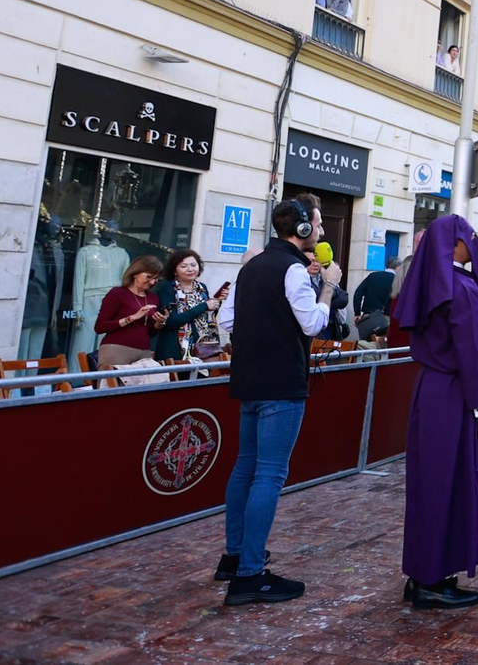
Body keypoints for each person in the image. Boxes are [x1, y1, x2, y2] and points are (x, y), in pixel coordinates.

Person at [219, 194, 342, 605]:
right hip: (281, 383)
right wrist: (327, 287)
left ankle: (233, 558)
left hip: (249, 380)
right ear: (303, 229)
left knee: (245, 468)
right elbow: (313, 323)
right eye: (318, 225)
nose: (322, 232)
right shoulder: (291, 268)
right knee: (269, 475)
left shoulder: (252, 266)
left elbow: (228, 321)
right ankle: (250, 574)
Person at [394, 215, 478, 610]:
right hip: (455, 392)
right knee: (451, 483)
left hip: (430, 388)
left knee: (428, 484)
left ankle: (423, 571)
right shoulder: (464, 289)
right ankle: (433, 579)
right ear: (456, 244)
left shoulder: (432, 285)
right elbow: (472, 353)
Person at [93, 256, 167, 368]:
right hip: (117, 349)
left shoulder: (153, 298)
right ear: (135, 273)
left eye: (156, 279)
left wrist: (158, 324)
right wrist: (132, 318)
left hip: (144, 352)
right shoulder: (117, 293)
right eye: (149, 277)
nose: (152, 282)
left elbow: (149, 333)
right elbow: (100, 327)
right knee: (113, 384)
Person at [153, 248, 222, 361]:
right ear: (175, 270)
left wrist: (217, 302)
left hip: (203, 348)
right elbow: (170, 322)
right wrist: (204, 306)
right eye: (184, 266)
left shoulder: (201, 288)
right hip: (176, 350)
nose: (190, 269)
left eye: (193, 265)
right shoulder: (168, 290)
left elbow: (206, 316)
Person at [353, 257, 396, 341]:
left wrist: (357, 313)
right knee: (382, 346)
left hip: (368, 318)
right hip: (386, 319)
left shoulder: (372, 276)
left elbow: (358, 293)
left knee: (365, 346)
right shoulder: (396, 280)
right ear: (398, 267)